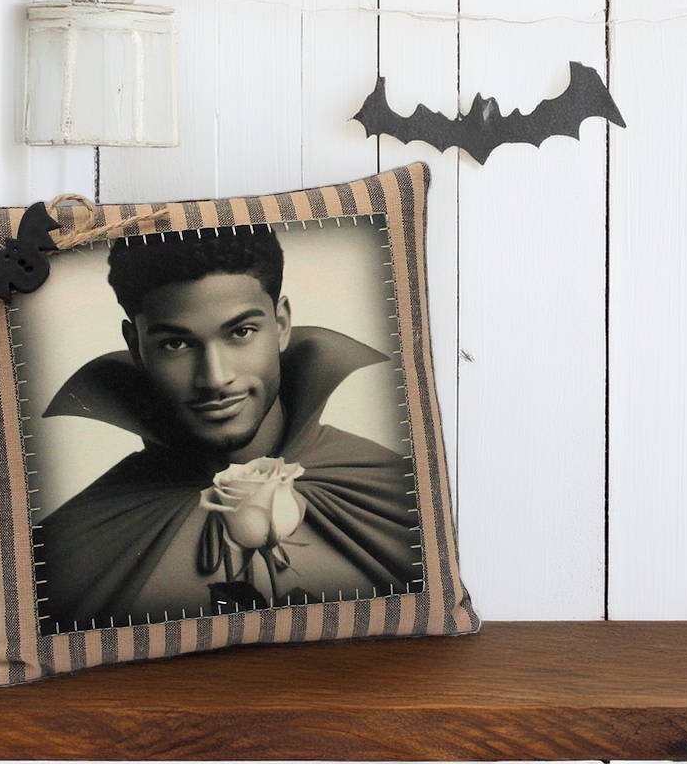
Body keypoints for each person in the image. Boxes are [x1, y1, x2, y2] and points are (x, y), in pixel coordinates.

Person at [38, 225, 419, 632]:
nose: (215, 378)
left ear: (282, 324)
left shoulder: (399, 493)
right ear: (135, 346)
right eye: (176, 344)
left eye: (241, 332)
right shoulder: (65, 550)